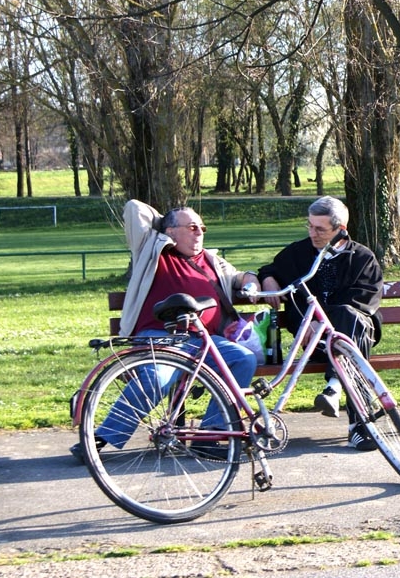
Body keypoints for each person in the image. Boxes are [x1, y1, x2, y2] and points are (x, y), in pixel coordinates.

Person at [70, 200, 260, 462]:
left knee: (243, 359)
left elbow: (240, 276)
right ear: (170, 231)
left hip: (204, 340)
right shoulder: (152, 248)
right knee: (158, 377)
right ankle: (100, 438)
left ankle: (211, 434)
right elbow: (134, 208)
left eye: (202, 227)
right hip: (161, 336)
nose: (199, 232)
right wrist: (166, 221)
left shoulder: (212, 260)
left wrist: (251, 280)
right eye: (192, 227)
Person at [257, 196, 383, 451]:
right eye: (310, 226)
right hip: (314, 341)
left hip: (355, 335)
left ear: (340, 230)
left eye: (320, 229)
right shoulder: (298, 253)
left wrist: (322, 323)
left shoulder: (362, 258)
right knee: (347, 337)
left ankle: (335, 387)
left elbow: (363, 301)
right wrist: (269, 279)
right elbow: (270, 269)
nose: (312, 233)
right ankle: (358, 423)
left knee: (348, 317)